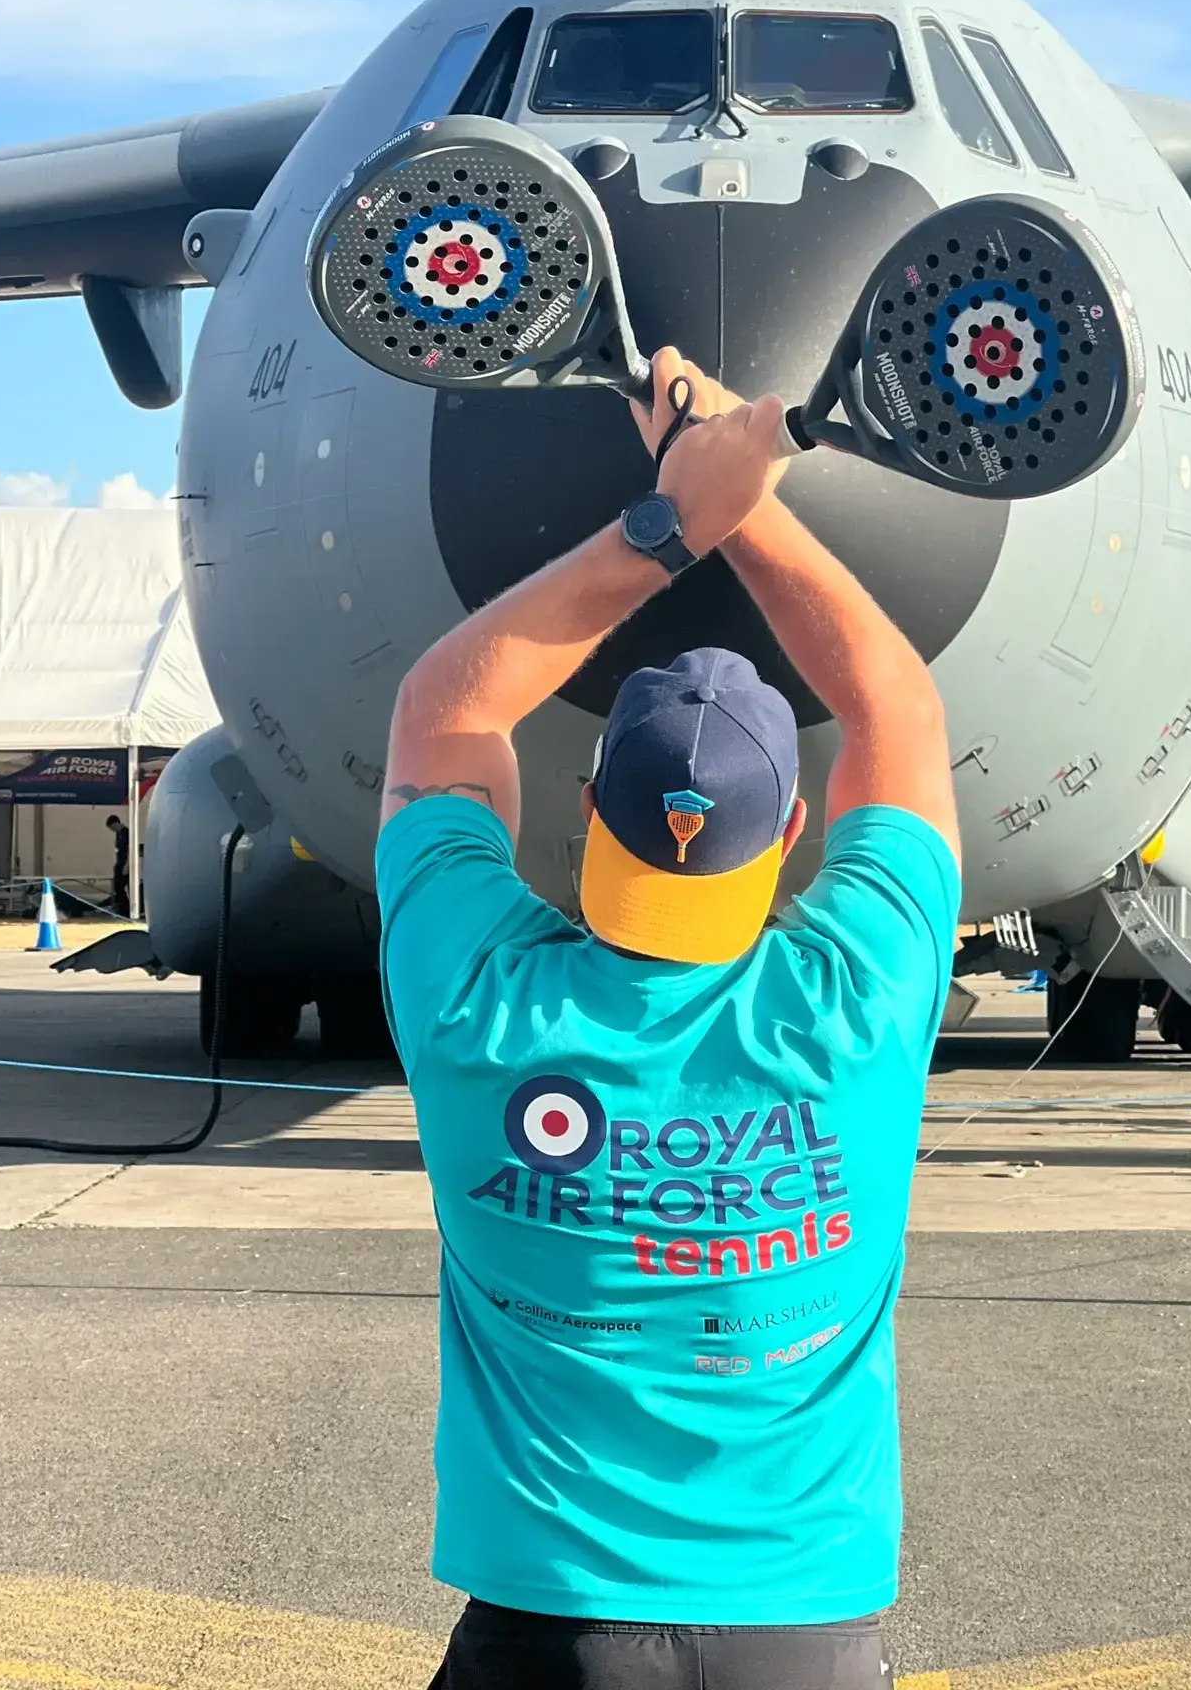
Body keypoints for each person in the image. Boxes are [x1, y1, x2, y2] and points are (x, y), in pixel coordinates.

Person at [377, 348, 961, 1690]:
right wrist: (740, 499)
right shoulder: (856, 1005)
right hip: (802, 1630)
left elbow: (445, 707)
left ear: (587, 809)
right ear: (795, 831)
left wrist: (673, 517)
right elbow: (894, 705)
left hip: (547, 1626)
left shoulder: (476, 1002)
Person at [105, 813, 129, 915]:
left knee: (122, 887)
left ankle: (126, 909)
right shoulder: (118, 834)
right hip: (120, 863)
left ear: (116, 824)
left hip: (125, 864)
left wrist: (127, 865)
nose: (112, 830)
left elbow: (129, 850)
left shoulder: (126, 833)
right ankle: (122, 908)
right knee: (117, 888)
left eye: (112, 827)